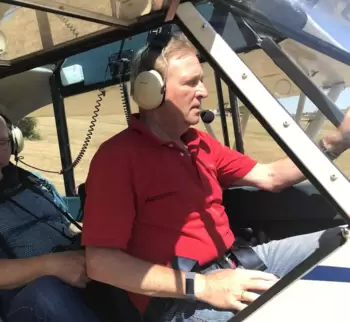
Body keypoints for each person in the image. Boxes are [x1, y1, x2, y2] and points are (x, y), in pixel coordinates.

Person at [80, 31, 350, 321]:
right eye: (191, 82)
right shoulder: (118, 158)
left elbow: (271, 176)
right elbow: (101, 263)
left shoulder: (199, 142)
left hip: (237, 263)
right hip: (179, 299)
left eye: (202, 80)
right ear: (150, 90)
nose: (203, 92)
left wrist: (336, 142)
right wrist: (205, 286)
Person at [0, 106, 101, 322]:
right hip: (22, 296)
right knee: (47, 292)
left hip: (72, 269)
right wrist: (50, 265)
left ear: (14, 143)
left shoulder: (33, 181)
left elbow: (65, 225)